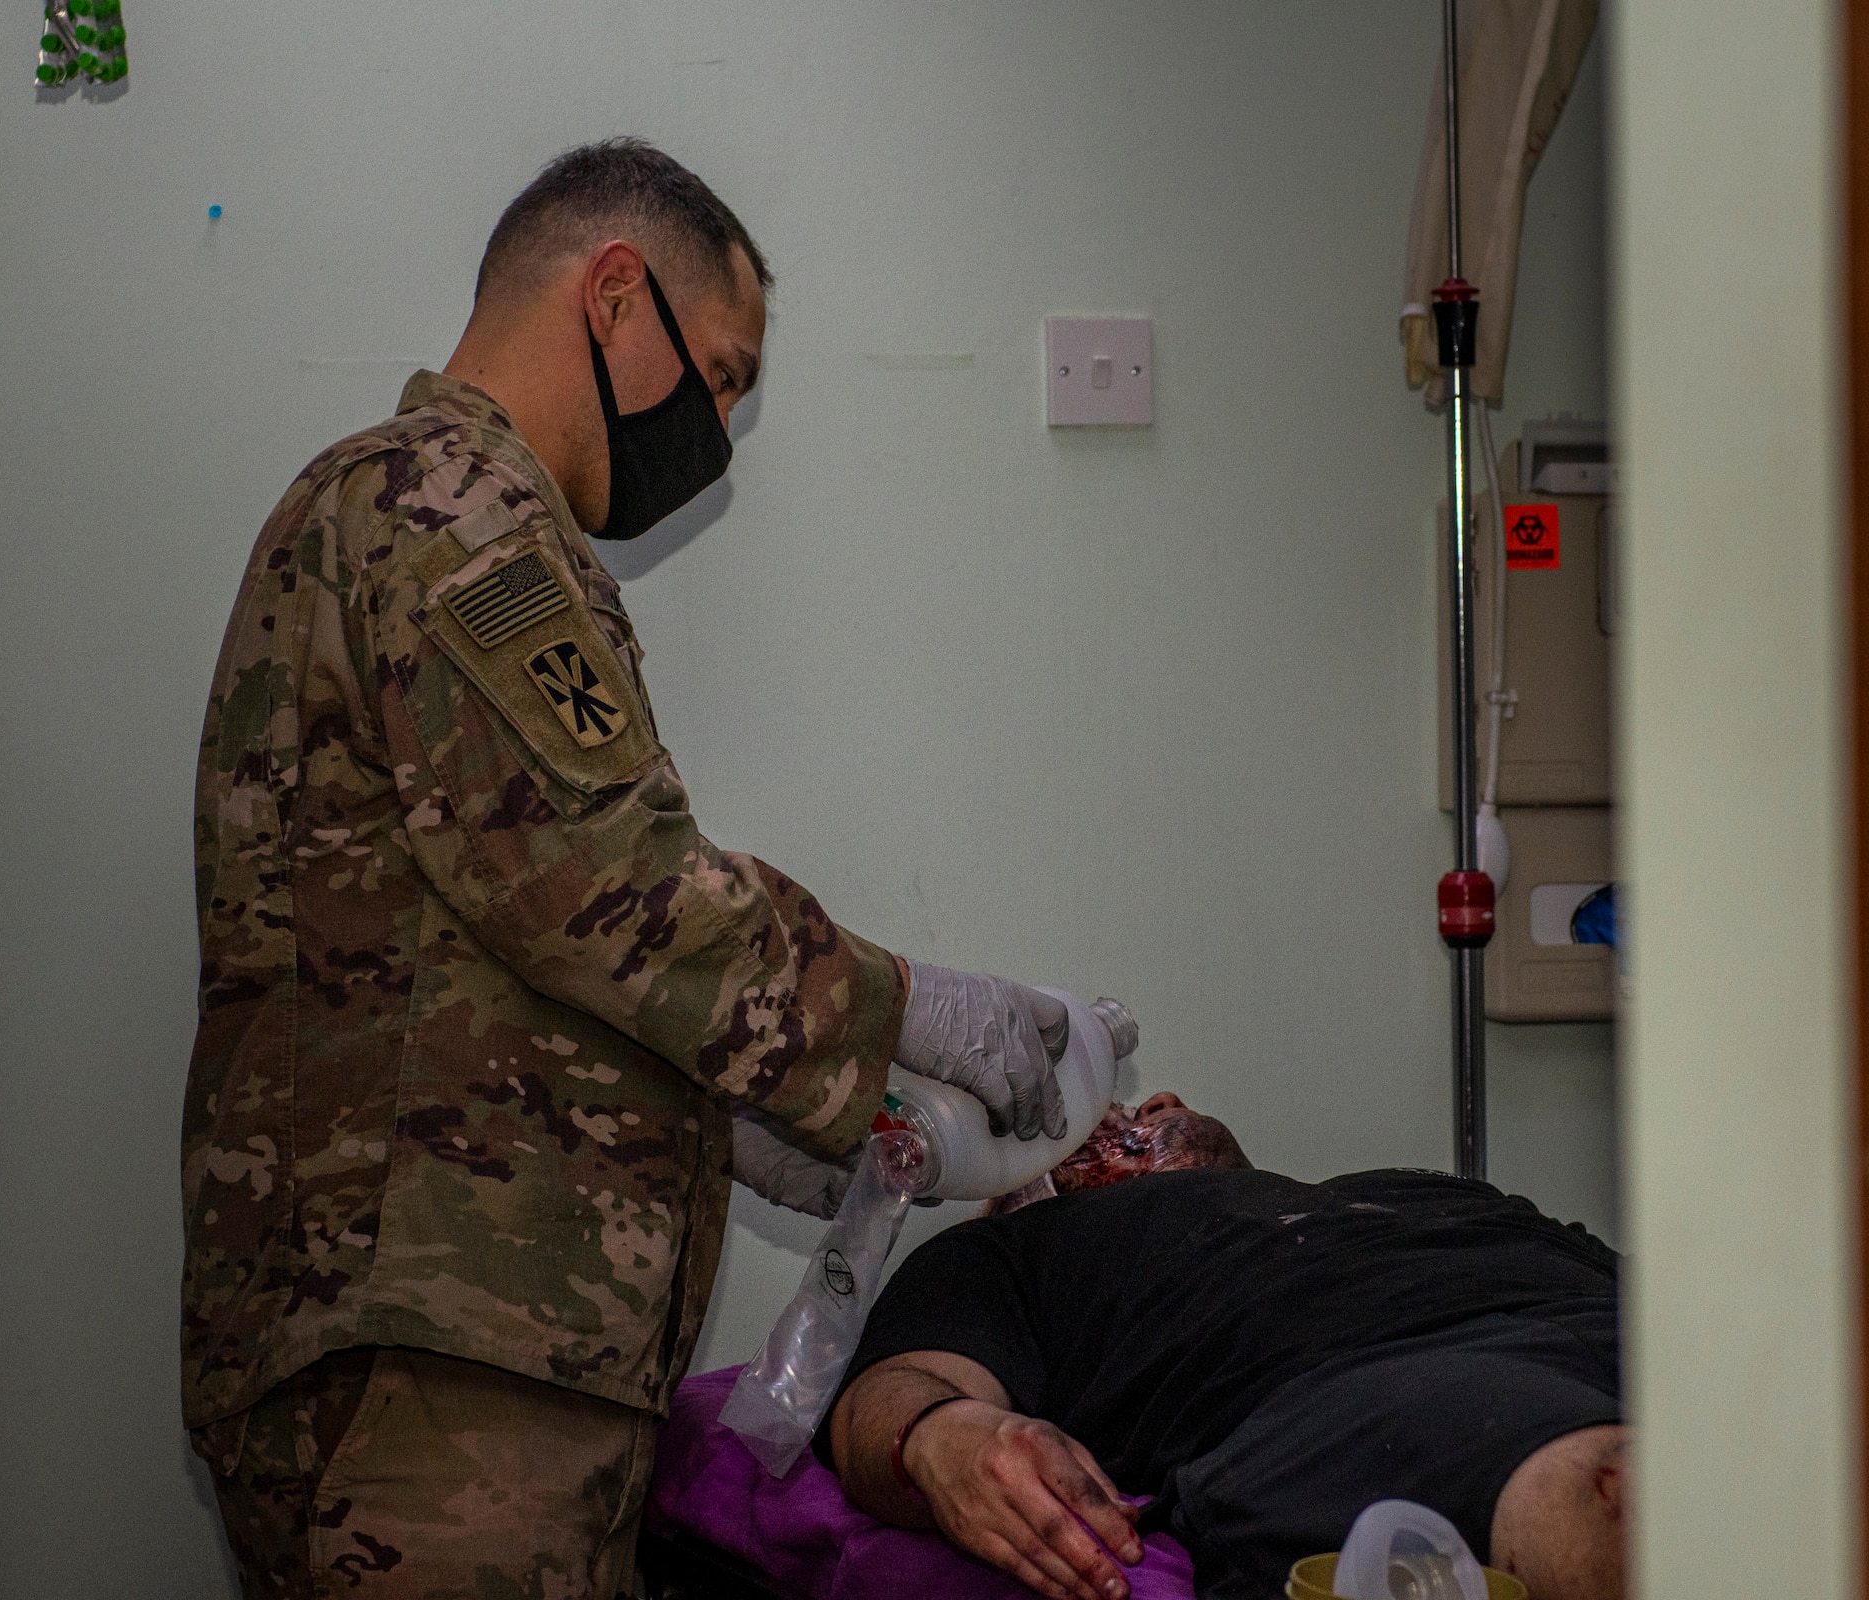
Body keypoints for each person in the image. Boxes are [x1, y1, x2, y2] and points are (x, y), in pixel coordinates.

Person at [180, 138, 1089, 1600]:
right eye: (722, 373)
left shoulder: (424, 517)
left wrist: (721, 1119)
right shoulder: (451, 510)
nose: (718, 428)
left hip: (448, 1336)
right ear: (613, 298)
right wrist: (911, 1011)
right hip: (452, 1360)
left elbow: (470, 954)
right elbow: (609, 887)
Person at [823, 1096, 1625, 1600]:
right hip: (1384, 1385)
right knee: (1619, 1486)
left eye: (1134, 1109)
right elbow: (892, 1394)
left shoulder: (1418, 1188)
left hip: (1614, 1322)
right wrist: (940, 1439)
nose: (1128, 1114)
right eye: (1077, 1140)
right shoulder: (1020, 1252)